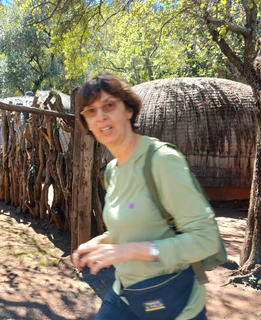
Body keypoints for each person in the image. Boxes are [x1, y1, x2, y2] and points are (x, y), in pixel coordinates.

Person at [72, 72, 222, 320]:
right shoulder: (112, 170)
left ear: (128, 110)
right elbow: (137, 223)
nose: (101, 117)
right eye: (90, 111)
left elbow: (206, 240)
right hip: (125, 294)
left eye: (109, 106)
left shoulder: (161, 160)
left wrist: (129, 250)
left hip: (175, 300)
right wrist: (100, 242)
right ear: (86, 122)